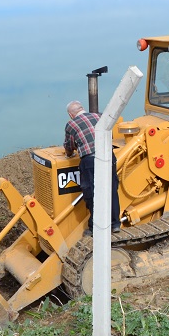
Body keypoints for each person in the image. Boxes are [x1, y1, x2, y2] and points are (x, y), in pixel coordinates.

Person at [64, 100, 121, 235]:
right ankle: (115, 224)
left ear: (71, 115)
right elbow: (110, 134)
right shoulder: (99, 116)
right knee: (111, 190)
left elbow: (69, 146)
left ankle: (95, 228)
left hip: (90, 161)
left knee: (92, 194)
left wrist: (69, 154)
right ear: (82, 108)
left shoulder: (71, 124)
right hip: (108, 156)